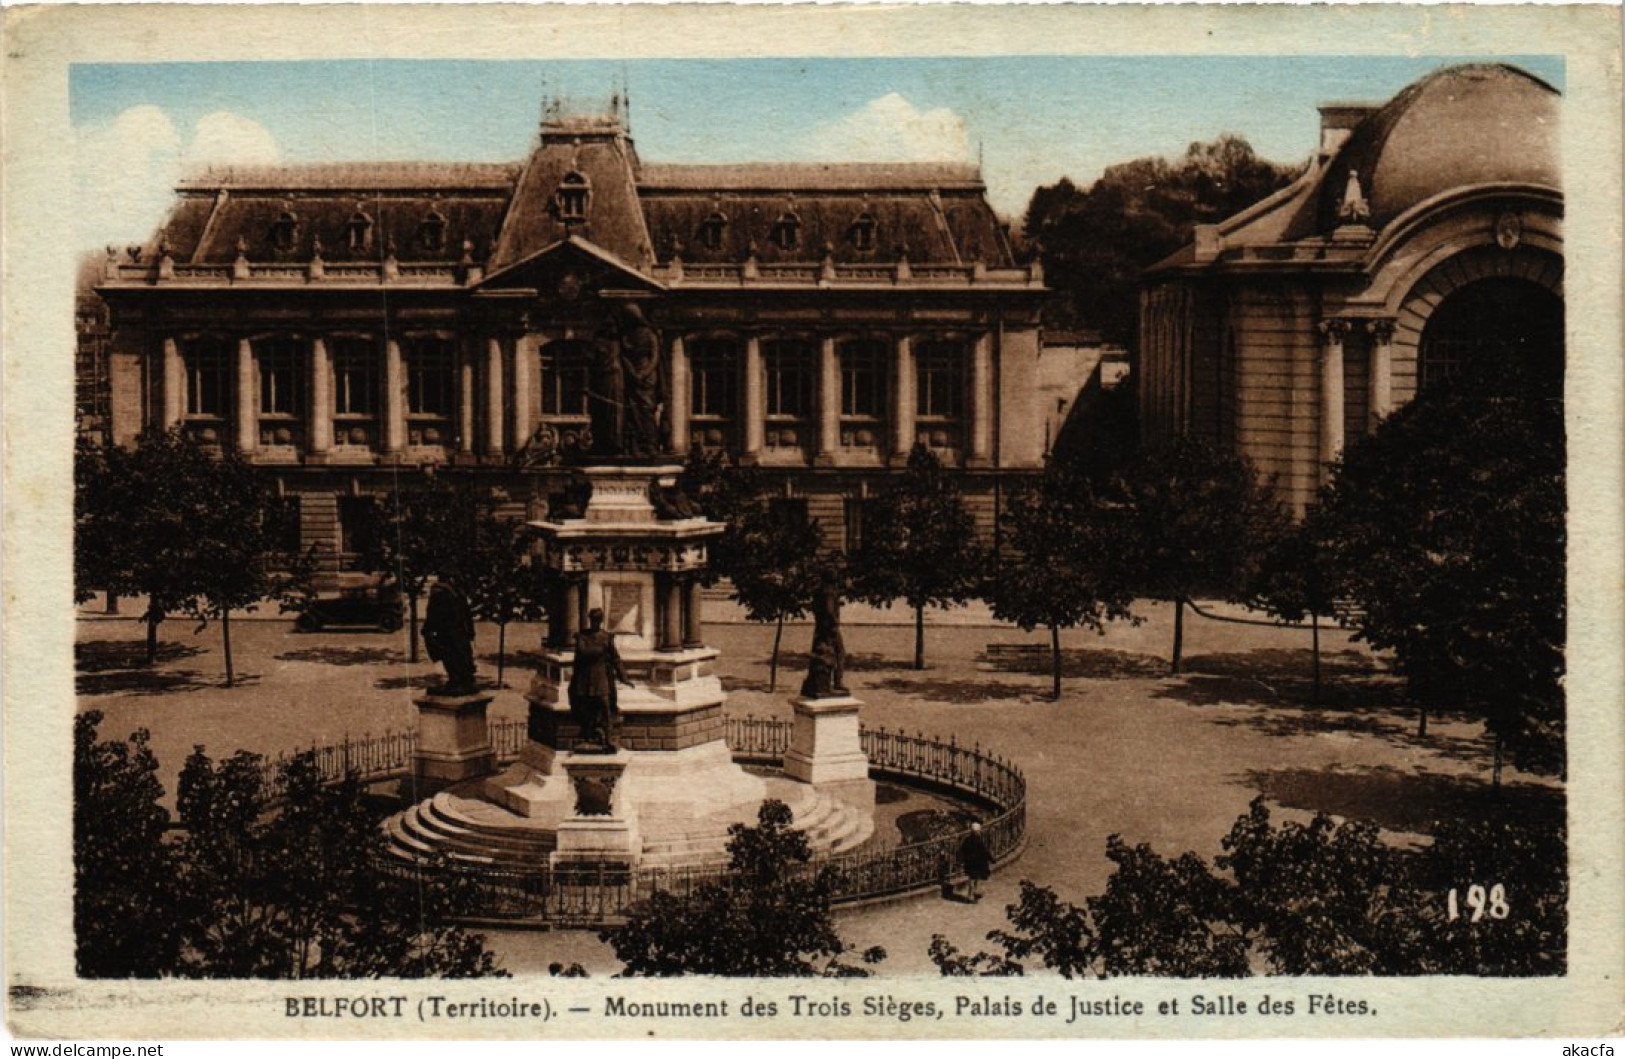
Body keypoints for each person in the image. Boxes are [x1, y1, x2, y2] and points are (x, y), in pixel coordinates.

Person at [568, 607, 633, 752]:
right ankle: (588, 735)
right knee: (585, 706)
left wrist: (624, 677)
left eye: (598, 620)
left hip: (601, 677)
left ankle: (608, 738)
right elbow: (582, 655)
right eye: (593, 620)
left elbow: (616, 659)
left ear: (601, 621)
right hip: (584, 678)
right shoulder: (582, 636)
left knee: (604, 706)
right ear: (590, 620)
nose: (595, 622)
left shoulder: (606, 638)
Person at [618, 303, 664, 457]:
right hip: (632, 376)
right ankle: (636, 446)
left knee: (647, 410)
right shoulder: (626, 336)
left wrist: (644, 373)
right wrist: (632, 372)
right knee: (633, 411)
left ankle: (651, 445)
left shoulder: (650, 334)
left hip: (647, 376)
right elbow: (623, 356)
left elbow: (655, 356)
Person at [422, 581, 477, 695]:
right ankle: (463, 681)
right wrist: (471, 632)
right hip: (460, 632)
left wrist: (427, 629)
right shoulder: (458, 592)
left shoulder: (438, 592)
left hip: (446, 633)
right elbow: (467, 614)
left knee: (449, 655)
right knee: (461, 655)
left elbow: (432, 613)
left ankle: (456, 682)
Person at [587, 319, 625, 458]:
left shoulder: (620, 343)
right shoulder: (598, 342)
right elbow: (589, 361)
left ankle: (616, 443)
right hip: (602, 382)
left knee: (615, 413)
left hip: (615, 382)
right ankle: (604, 443)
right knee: (602, 413)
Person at [958, 821, 992, 902]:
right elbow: (984, 851)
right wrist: (991, 859)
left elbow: (962, 850)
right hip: (977, 862)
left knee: (972, 878)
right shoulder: (979, 841)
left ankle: (972, 893)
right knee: (975, 878)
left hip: (969, 862)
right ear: (977, 832)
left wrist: (962, 860)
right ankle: (972, 894)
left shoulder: (967, 839)